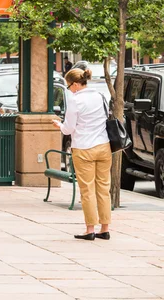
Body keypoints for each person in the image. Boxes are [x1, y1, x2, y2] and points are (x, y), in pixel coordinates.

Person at [52, 67, 112, 241]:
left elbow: (69, 128)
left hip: (84, 148)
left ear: (77, 84)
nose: (69, 89)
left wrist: (59, 125)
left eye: (69, 86)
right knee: (103, 188)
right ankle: (105, 228)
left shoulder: (75, 101)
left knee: (87, 190)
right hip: (103, 146)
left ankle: (90, 229)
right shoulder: (100, 96)